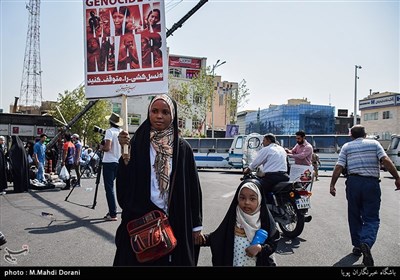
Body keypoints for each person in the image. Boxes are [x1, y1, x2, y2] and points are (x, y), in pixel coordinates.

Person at [114, 94, 203, 266]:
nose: (159, 116)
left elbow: (193, 188)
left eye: (165, 112)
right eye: (154, 111)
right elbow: (126, 185)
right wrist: (125, 159)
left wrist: (196, 226)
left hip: (175, 217)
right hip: (143, 219)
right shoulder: (136, 144)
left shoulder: (183, 149)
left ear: (173, 116)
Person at [329, 125, 400, 267]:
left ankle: (357, 246)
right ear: (365, 134)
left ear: (351, 135)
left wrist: (332, 184)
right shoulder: (374, 144)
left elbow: (339, 166)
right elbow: (385, 160)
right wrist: (397, 178)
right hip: (371, 183)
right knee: (371, 217)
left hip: (353, 183)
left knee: (354, 215)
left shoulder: (347, 147)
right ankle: (366, 242)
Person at [200, 181, 280, 266]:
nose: (247, 202)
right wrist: (201, 238)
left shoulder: (265, 220)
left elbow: (273, 243)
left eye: (252, 199)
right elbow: (218, 237)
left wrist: (260, 248)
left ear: (259, 200)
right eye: (242, 198)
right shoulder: (234, 217)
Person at [100, 113, 123, 221]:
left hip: (109, 162)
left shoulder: (109, 132)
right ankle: (116, 210)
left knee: (109, 188)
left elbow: (107, 148)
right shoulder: (121, 132)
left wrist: (101, 147)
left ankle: (113, 213)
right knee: (119, 187)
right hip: (118, 161)